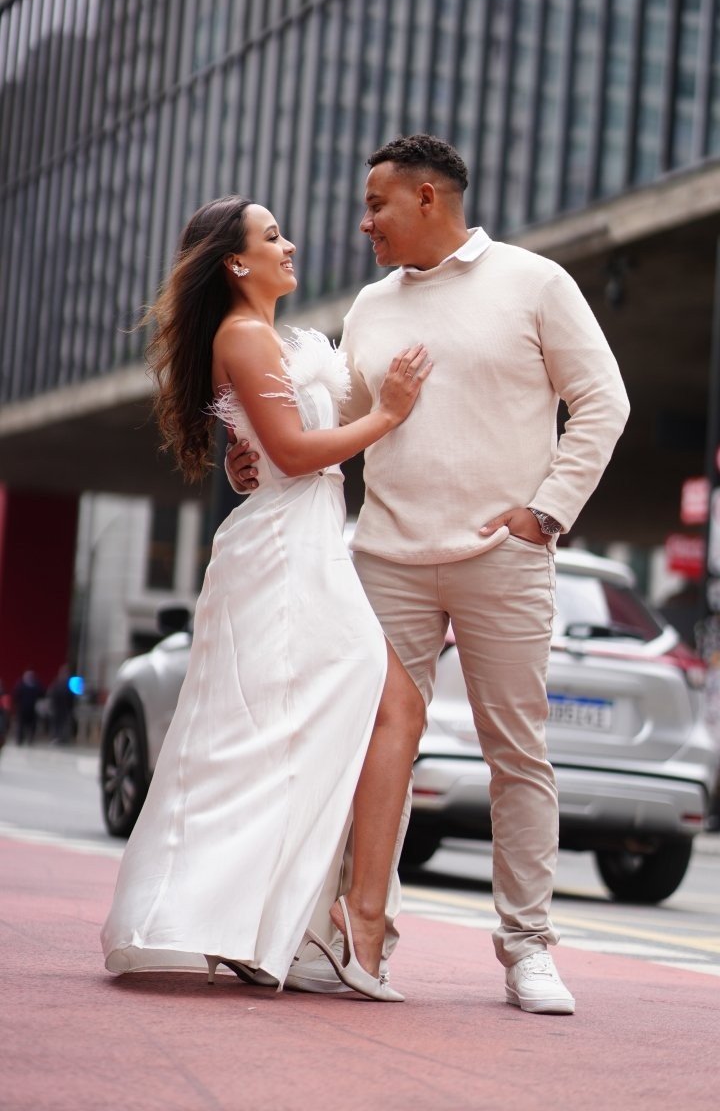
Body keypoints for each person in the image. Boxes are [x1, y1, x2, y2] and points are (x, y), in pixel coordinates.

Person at [228, 133, 630, 1014]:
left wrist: (547, 512)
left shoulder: (535, 282)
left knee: (515, 754)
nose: (363, 222)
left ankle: (528, 949)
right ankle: (351, 935)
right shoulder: (371, 306)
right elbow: (331, 425)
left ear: (425, 198)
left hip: (503, 558)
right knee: (369, 749)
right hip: (386, 559)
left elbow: (605, 399)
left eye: (375, 205)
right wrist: (253, 456)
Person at [101, 195, 430, 1001]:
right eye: (272, 236)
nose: (290, 245)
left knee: (311, 726)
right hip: (288, 551)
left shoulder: (260, 338)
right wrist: (389, 415)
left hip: (303, 539)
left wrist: (247, 457)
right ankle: (327, 925)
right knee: (364, 707)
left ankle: (292, 926)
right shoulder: (244, 335)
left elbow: (267, 449)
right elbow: (294, 450)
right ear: (236, 262)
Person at [14, 670, 43, 745]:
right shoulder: (20, 685)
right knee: (21, 725)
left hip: (33, 709)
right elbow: (16, 696)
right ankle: (20, 740)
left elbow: (41, 694)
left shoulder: (36, 685)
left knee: (32, 725)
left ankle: (30, 739)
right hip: (22, 709)